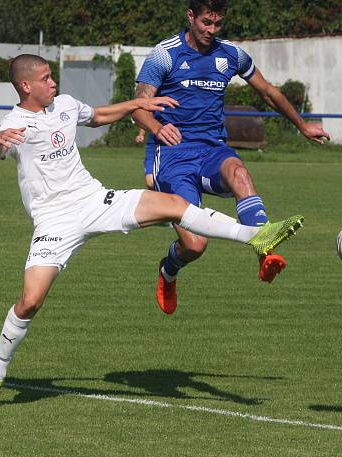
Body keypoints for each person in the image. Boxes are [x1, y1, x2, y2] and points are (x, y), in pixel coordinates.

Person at [0, 54, 304, 409]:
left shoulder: (64, 105)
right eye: (47, 78)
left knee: (173, 204)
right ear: (26, 86)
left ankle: (256, 236)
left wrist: (138, 104)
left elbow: (97, 116)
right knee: (30, 302)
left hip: (95, 199)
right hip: (53, 221)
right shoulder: (14, 123)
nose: (54, 83)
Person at [133, 0, 330, 314]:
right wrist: (156, 126)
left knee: (238, 170)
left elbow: (267, 91)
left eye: (218, 24)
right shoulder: (164, 54)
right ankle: (168, 271)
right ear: (190, 17)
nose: (212, 31)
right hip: (172, 158)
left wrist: (302, 125)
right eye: (206, 23)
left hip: (212, 151)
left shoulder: (231, 55)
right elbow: (138, 105)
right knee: (196, 245)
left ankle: (265, 249)